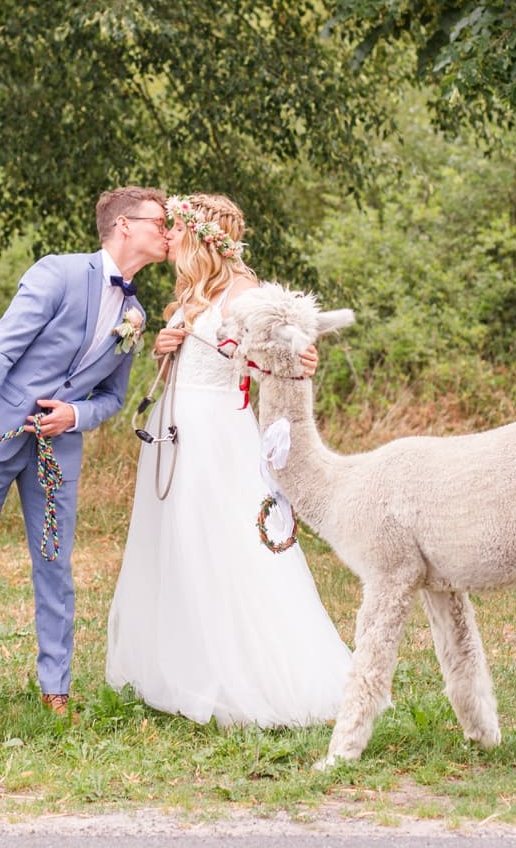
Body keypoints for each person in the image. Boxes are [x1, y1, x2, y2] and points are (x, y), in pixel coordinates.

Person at [105, 193, 352, 727]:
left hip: (217, 433)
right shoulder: (192, 292)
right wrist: (166, 347)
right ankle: (179, 665)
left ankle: (239, 675)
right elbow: (185, 367)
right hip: (173, 428)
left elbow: (277, 355)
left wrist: (302, 356)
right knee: (175, 545)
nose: (167, 235)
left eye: (177, 227)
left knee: (219, 544)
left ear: (202, 235)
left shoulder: (247, 293)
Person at [0, 186, 171, 716]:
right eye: (159, 222)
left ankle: (57, 690)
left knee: (54, 565)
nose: (167, 232)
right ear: (124, 226)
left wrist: (77, 415)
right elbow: (0, 351)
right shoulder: (59, 272)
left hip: (57, 452)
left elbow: (113, 397)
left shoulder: (135, 315)